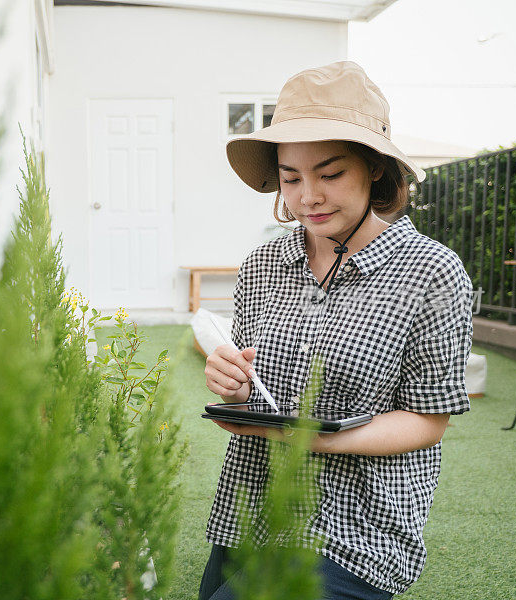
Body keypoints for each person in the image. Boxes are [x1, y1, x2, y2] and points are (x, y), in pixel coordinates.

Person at [199, 61, 474, 600]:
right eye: (290, 178)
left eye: (329, 174)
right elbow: (254, 390)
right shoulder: (262, 264)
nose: (307, 198)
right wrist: (232, 384)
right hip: (253, 506)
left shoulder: (432, 272)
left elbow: (427, 421)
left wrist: (311, 434)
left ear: (374, 168)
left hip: (357, 528)